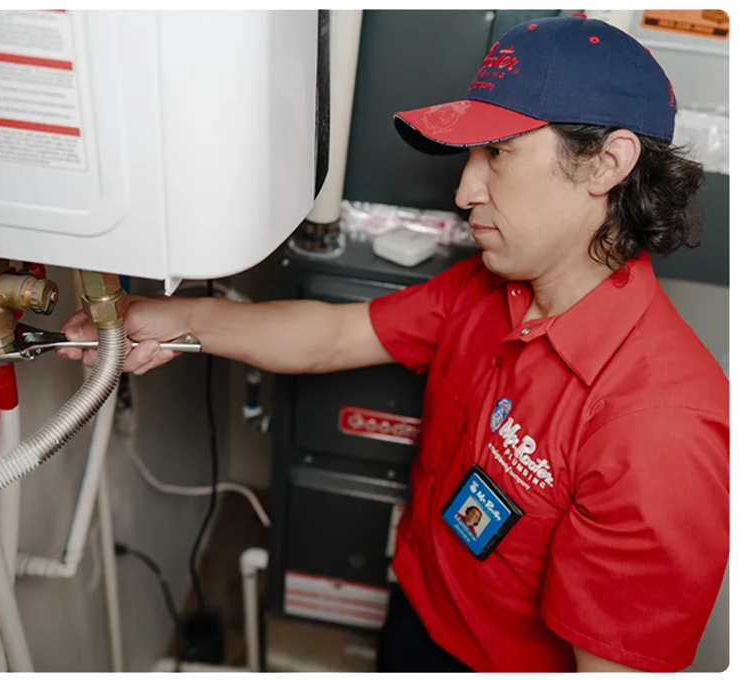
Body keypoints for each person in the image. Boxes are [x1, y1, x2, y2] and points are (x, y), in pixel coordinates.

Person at [60, 15, 729, 674]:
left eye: (497, 152)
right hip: (417, 612)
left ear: (607, 163)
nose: (466, 190)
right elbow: (334, 335)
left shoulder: (662, 431)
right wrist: (168, 317)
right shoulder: (488, 287)